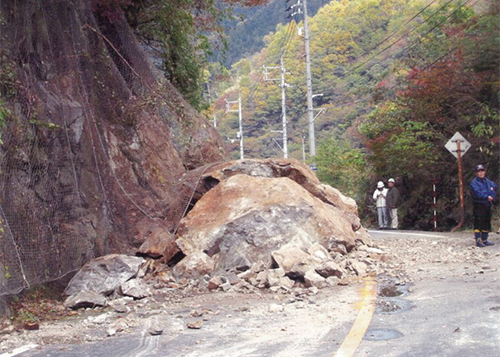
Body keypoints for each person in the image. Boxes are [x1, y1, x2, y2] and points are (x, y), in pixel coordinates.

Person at [469, 164, 497, 247]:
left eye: (482, 171)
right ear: (476, 173)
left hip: (487, 204)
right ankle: (478, 240)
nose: (481, 173)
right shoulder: (474, 182)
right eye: (479, 171)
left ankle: (485, 239)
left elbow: (494, 187)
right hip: (478, 204)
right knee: (478, 222)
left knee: (486, 222)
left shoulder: (487, 181)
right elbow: (477, 193)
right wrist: (486, 196)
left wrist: (491, 195)